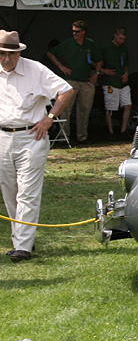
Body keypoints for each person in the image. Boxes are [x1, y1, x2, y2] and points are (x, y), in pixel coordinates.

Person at [0, 30, 74, 262]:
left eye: (11, 55)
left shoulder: (35, 69)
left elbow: (66, 90)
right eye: (2, 54)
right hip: (3, 136)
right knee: (10, 192)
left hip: (31, 136)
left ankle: (23, 246)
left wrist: (49, 118)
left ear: (19, 53)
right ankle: (22, 239)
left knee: (27, 191)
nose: (6, 59)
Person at [46, 19, 97, 144]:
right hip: (70, 81)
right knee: (65, 109)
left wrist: (97, 73)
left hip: (86, 81)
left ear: (84, 32)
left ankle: (82, 137)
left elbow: (99, 59)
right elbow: (51, 54)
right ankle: (64, 137)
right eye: (73, 31)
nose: (74, 34)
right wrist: (61, 66)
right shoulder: (68, 43)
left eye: (77, 31)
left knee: (84, 109)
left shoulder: (90, 44)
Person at [95, 27, 131, 139]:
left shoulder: (124, 48)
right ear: (115, 35)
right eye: (120, 38)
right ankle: (110, 132)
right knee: (110, 107)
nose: (121, 41)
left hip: (122, 81)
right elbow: (95, 61)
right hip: (110, 81)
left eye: (123, 39)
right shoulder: (105, 47)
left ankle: (123, 130)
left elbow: (125, 64)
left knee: (128, 105)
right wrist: (103, 70)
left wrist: (126, 73)